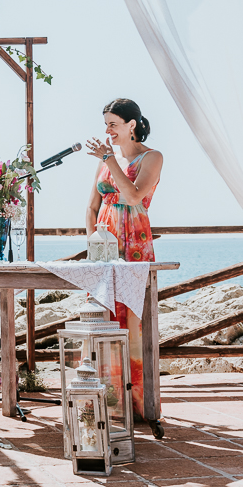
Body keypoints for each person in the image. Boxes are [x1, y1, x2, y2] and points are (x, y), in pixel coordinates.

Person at [85, 98, 163, 420]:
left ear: (131, 125)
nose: (108, 130)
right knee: (101, 317)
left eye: (113, 124)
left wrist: (109, 159)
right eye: (105, 124)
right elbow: (91, 207)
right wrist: (93, 242)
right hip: (103, 248)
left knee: (133, 322)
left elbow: (133, 196)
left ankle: (139, 405)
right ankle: (106, 402)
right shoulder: (106, 161)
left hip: (133, 244)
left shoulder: (152, 157)